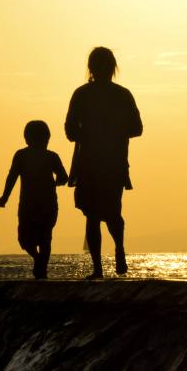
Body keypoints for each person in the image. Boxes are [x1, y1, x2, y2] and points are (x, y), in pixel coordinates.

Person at [65, 47, 143, 279]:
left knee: (92, 215)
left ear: (91, 68)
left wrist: (88, 134)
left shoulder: (81, 94)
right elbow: (137, 129)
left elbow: (69, 130)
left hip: (90, 163)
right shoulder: (123, 94)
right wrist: (115, 133)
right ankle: (118, 249)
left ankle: (98, 268)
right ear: (112, 68)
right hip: (114, 163)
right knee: (112, 212)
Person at [0, 120, 68, 279]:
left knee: (45, 238)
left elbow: (64, 177)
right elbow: (12, 176)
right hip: (28, 205)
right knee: (24, 239)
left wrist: (56, 183)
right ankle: (39, 260)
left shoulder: (52, 157)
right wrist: (5, 196)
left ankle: (42, 269)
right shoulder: (21, 155)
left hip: (46, 204)